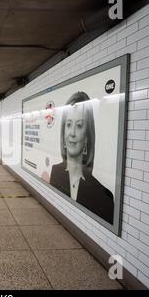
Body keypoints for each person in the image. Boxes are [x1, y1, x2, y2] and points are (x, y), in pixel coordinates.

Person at [49, 92, 114, 224]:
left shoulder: (103, 196)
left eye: (79, 126)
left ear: (87, 137)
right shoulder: (55, 172)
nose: (72, 133)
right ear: (63, 132)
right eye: (68, 125)